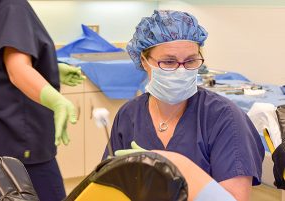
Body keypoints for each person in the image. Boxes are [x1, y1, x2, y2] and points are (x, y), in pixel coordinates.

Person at [103, 10, 264, 201]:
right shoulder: (129, 115)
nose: (181, 71)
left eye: (190, 61)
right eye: (169, 62)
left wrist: (177, 167)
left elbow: (235, 198)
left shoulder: (224, 117)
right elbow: (110, 188)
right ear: (144, 61)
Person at [0, 0, 84, 200]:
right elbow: (17, 69)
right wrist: (57, 101)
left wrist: (49, 67)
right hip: (20, 145)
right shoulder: (11, 5)